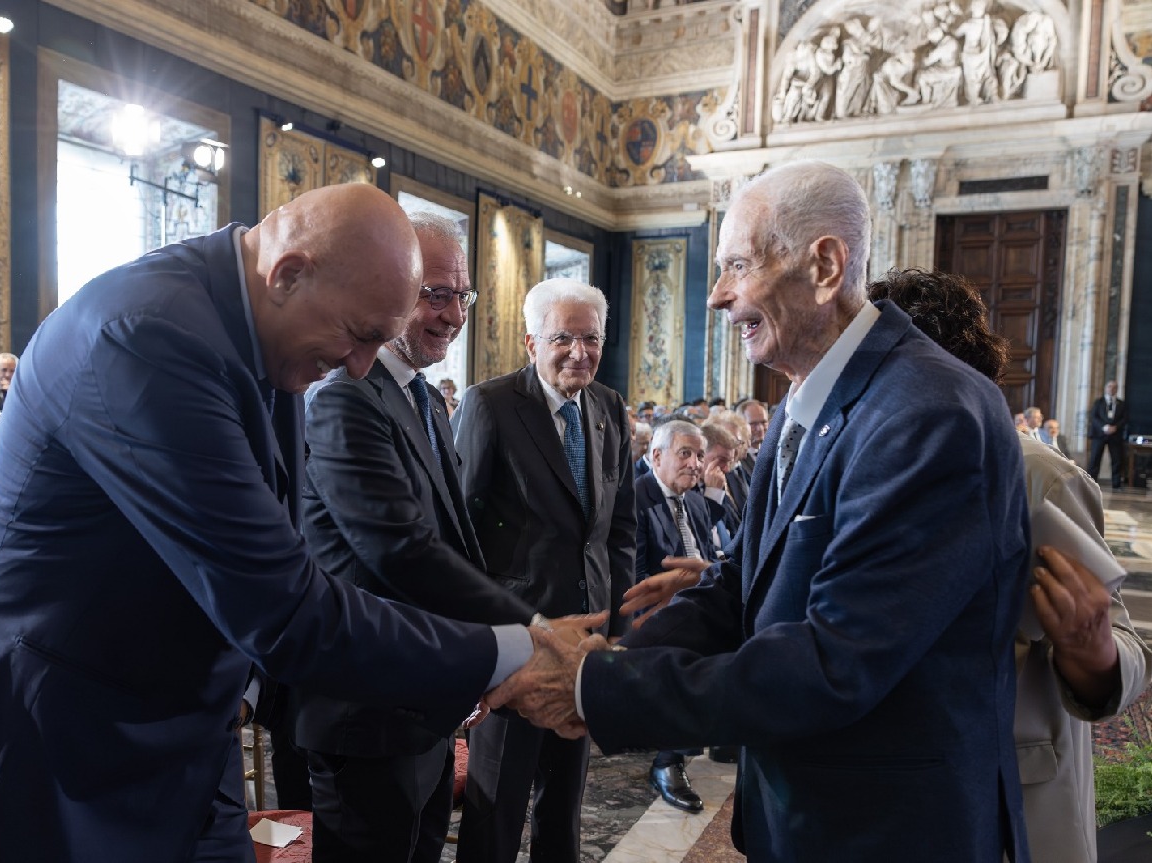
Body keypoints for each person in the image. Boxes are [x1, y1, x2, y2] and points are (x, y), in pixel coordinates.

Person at [0, 184, 550, 862]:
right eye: (357, 336)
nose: (357, 365)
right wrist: (514, 651)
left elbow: (271, 554)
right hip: (49, 729)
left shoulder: (266, 330)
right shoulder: (147, 333)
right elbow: (286, 605)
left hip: (175, 719)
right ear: (288, 273)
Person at [491, 162, 1032, 862]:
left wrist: (596, 687)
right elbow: (738, 583)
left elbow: (835, 660)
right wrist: (615, 655)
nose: (715, 296)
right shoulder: (805, 401)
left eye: (736, 266)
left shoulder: (926, 412)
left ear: (825, 266)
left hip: (888, 830)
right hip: (805, 814)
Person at [865, 267, 1152, 863]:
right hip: (886, 785)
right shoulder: (859, 461)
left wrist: (1091, 649)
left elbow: (1124, 652)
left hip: (1011, 793)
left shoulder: (1037, 475)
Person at [286, 213, 544, 863]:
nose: (452, 313)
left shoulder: (423, 399)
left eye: (462, 295)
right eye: (435, 293)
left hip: (425, 704)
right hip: (366, 711)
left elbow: (453, 542)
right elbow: (398, 550)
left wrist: (471, 666)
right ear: (388, 285)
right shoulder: (342, 392)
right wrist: (521, 640)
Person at [453, 277, 637, 863]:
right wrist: (479, 647)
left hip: (585, 644)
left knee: (564, 803)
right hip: (516, 644)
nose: (579, 353)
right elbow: (461, 538)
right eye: (563, 339)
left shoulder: (609, 407)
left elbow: (620, 530)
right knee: (498, 808)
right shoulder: (491, 404)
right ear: (531, 343)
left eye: (591, 339)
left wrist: (617, 629)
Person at [633, 419, 716, 813]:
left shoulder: (696, 501)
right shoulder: (634, 498)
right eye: (686, 453)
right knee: (692, 642)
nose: (696, 464)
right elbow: (631, 576)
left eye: (700, 455)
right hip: (653, 610)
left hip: (698, 601)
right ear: (656, 456)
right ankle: (669, 760)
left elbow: (711, 561)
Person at [1087, 380, 1128, 490]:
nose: (1112, 389)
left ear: (1117, 389)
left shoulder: (1121, 404)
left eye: (1114, 387)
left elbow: (1124, 419)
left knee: (1116, 460)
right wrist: (1104, 427)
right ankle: (1091, 483)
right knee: (1095, 459)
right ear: (1106, 388)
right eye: (1109, 386)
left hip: (1115, 435)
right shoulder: (1098, 402)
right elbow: (1094, 417)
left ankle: (1117, 485)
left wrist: (1115, 427)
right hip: (1099, 434)